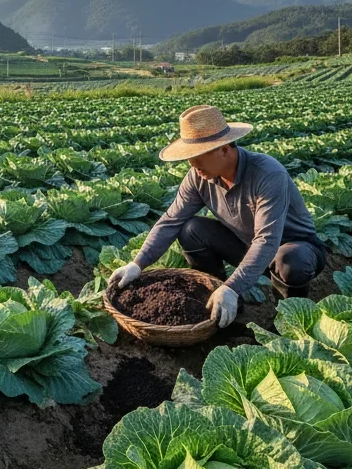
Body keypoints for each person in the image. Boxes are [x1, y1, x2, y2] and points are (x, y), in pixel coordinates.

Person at [107, 104, 327, 328]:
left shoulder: (268, 174)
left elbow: (267, 239)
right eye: (190, 157)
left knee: (290, 260)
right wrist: (137, 263)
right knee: (191, 230)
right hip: (247, 246)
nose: (192, 164)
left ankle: (289, 321)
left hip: (293, 248)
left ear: (224, 149)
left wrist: (233, 286)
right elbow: (170, 220)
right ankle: (220, 301)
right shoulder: (198, 176)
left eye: (198, 156)